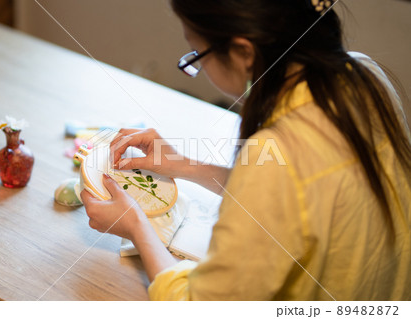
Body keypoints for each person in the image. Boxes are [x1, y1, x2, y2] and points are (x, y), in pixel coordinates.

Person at [80, 0, 411, 300]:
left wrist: (137, 226)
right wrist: (182, 165)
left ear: (243, 52)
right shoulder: (365, 76)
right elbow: (295, 196)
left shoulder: (279, 150)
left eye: (196, 55)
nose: (199, 69)